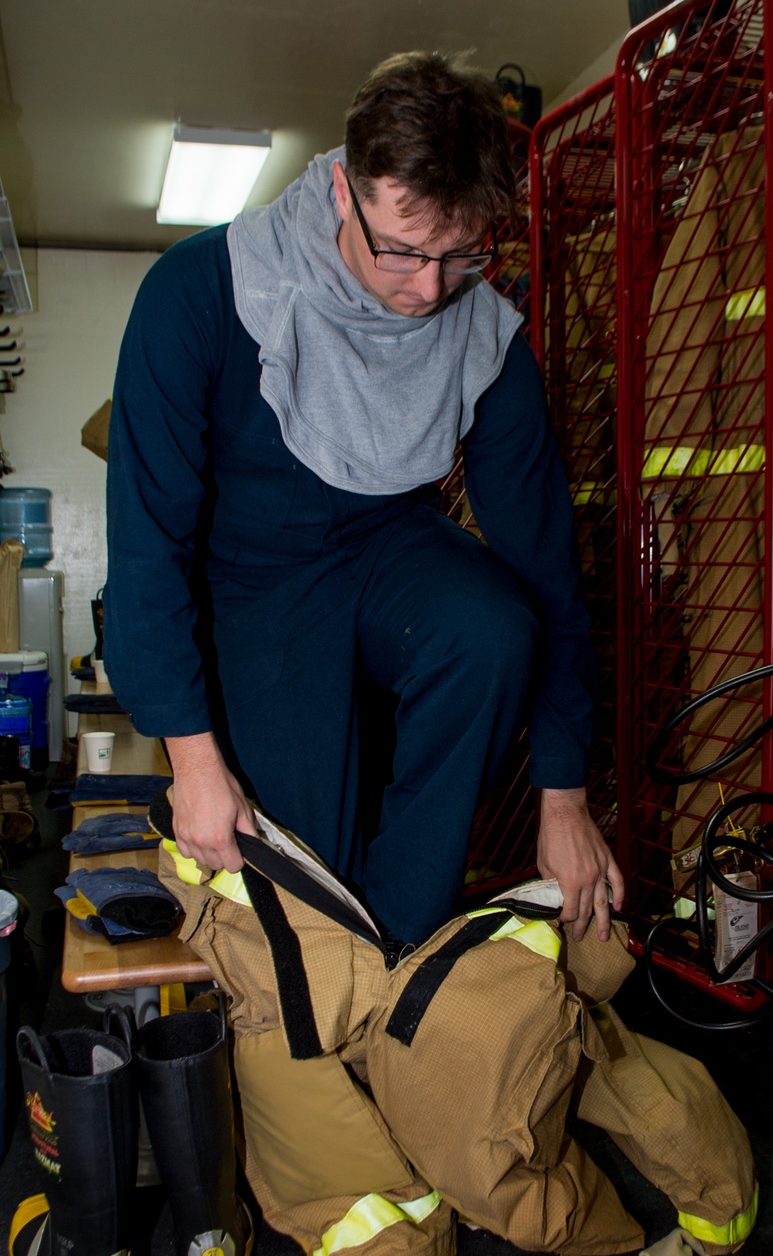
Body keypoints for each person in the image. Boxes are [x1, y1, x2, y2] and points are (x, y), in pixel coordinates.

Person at [105, 50, 624, 946]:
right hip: (248, 576)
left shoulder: (483, 335)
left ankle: (403, 961)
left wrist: (565, 796)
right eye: (403, 251)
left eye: (462, 256)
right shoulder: (197, 293)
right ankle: (340, 962)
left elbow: (547, 567)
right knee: (309, 874)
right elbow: (147, 545)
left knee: (496, 629)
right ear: (344, 191)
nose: (427, 291)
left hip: (387, 547)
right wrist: (190, 760)